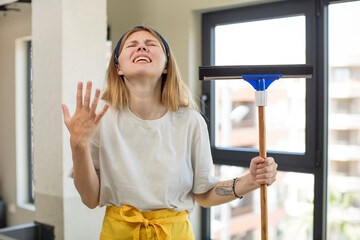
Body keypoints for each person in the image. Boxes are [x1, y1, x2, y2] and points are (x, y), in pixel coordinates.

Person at [61, 26, 278, 240]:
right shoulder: (101, 119)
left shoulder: (190, 121)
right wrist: (78, 145)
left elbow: (203, 194)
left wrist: (251, 180)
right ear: (118, 67)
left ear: (166, 66)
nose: (141, 48)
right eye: (132, 45)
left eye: (150, 44)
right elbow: (90, 198)